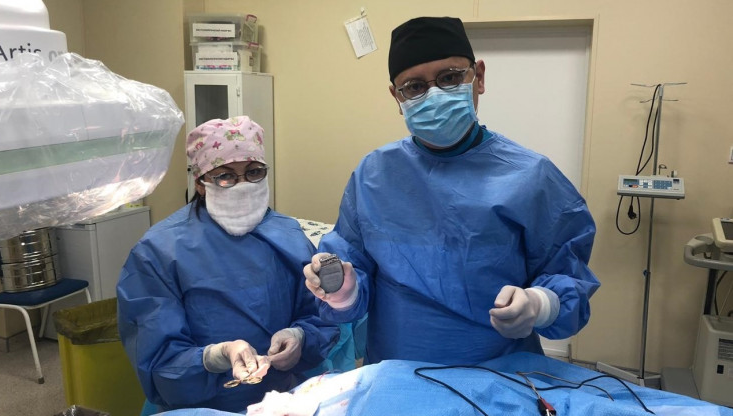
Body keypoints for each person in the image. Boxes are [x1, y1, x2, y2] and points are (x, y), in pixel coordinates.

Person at [303, 17, 600, 366]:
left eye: (449, 78)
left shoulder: (531, 177)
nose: (434, 95)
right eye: (414, 86)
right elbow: (353, 264)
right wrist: (344, 290)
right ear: (397, 97)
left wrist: (540, 303)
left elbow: (567, 277)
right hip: (398, 372)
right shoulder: (374, 175)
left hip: (499, 371)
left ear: (479, 77)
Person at [117, 116, 340, 413]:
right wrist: (215, 357)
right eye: (225, 176)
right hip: (201, 406)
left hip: (282, 399)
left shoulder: (288, 236)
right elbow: (158, 358)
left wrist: (299, 337)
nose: (243, 185)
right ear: (200, 183)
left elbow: (320, 315)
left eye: (254, 172)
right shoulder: (159, 251)